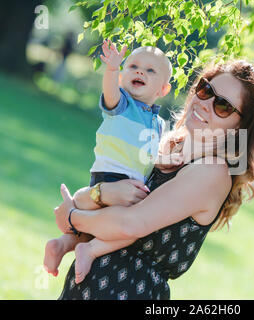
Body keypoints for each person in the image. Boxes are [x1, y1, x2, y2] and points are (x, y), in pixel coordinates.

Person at [53, 59, 254, 300]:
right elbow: (106, 192)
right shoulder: (167, 144)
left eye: (222, 105)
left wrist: (72, 216)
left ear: (239, 126)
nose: (205, 104)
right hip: (85, 287)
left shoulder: (213, 171)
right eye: (206, 90)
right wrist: (98, 195)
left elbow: (131, 224)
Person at [44, 40, 174, 284]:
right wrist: (112, 69)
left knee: (93, 228)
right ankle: (90, 251)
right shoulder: (122, 105)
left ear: (163, 90)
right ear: (124, 76)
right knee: (132, 229)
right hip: (113, 178)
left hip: (122, 182)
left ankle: (61, 245)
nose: (139, 72)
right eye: (133, 66)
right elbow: (110, 92)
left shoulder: (158, 123)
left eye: (150, 70)